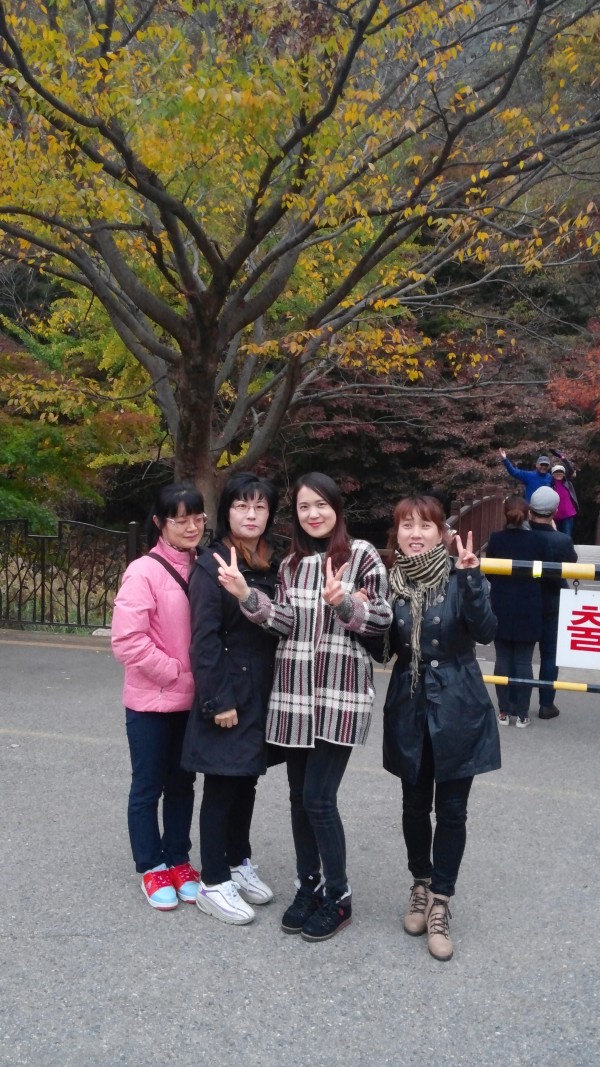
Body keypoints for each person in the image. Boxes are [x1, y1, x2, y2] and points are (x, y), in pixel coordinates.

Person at [214, 472, 392, 942]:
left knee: (318, 798)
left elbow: (381, 618)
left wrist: (345, 603)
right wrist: (246, 595)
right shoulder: (291, 564)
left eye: (321, 504)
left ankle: (339, 894)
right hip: (293, 695)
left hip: (339, 695)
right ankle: (307, 885)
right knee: (298, 798)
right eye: (304, 507)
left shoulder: (362, 555)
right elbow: (284, 622)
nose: (313, 514)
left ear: (336, 507)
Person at [380, 495, 500, 962]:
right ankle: (421, 883)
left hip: (457, 703)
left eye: (425, 525)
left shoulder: (461, 574)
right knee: (414, 805)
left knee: (452, 811)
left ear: (442, 534)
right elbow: (381, 647)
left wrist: (471, 579)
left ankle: (441, 902)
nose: (415, 533)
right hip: (409, 704)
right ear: (397, 534)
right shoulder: (391, 583)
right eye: (406, 525)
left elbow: (485, 631)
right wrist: (352, 609)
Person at [181, 473, 280, 926]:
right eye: (242, 506)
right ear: (227, 512)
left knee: (246, 781)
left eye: (260, 507)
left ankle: (238, 861)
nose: (251, 515)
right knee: (222, 784)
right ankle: (213, 880)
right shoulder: (213, 563)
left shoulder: (270, 561)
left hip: (260, 690)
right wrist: (218, 699)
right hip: (228, 692)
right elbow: (203, 638)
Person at [111, 483, 206, 910]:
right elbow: (127, 641)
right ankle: (151, 865)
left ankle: (179, 859)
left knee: (182, 784)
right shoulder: (142, 572)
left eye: (197, 518)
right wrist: (177, 673)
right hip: (151, 701)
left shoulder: (205, 566)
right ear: (159, 523)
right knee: (148, 785)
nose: (190, 526)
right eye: (180, 519)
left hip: (192, 702)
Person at [486, 496, 551, 728]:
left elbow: (489, 573)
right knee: (524, 662)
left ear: (505, 514)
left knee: (502, 659)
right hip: (529, 604)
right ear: (528, 514)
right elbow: (543, 572)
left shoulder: (496, 539)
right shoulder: (538, 540)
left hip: (501, 603)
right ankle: (523, 714)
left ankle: (504, 711)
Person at [528, 486, 578, 720]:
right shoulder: (562, 540)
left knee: (522, 654)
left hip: (525, 601)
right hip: (553, 602)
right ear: (555, 512)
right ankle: (546, 704)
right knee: (550, 655)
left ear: (530, 511)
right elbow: (572, 562)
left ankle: (517, 704)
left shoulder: (522, 536)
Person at [550, 452, 578, 537]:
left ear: (563, 473)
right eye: (556, 472)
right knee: (555, 538)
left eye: (560, 472)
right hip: (554, 517)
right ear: (553, 474)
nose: (558, 473)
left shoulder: (567, 482)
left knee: (566, 537)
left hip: (568, 515)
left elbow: (571, 470)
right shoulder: (550, 483)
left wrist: (563, 458)